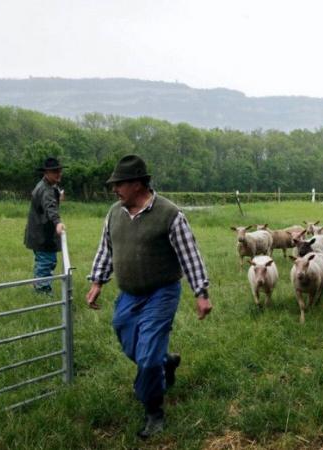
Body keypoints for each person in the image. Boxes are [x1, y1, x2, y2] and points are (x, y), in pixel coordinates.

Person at [85, 154, 212, 439]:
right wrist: (97, 282)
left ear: (139, 184)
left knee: (146, 359)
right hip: (129, 295)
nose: (114, 189)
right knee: (129, 343)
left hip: (161, 293)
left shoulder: (170, 214)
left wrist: (201, 293)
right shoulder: (114, 213)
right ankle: (166, 362)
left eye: (120, 184)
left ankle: (153, 411)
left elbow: (189, 256)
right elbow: (107, 249)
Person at [24, 157, 66, 294]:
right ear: (46, 173)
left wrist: (58, 197)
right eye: (55, 171)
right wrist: (58, 222)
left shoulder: (45, 186)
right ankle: (43, 292)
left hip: (39, 233)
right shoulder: (46, 189)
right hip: (43, 235)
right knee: (46, 262)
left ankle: (39, 288)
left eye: (59, 171)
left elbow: (47, 203)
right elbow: (50, 208)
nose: (59, 174)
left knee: (43, 261)